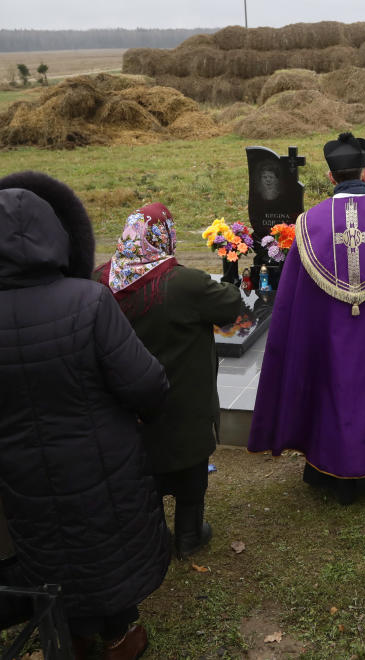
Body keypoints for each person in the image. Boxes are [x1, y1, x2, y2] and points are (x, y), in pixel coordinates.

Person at [0, 172, 170, 658]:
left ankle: (70, 632)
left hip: (20, 472)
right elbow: (146, 383)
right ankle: (121, 637)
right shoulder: (89, 301)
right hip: (101, 462)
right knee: (103, 545)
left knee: (50, 546)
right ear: (57, 234)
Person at [248, 132, 365, 504]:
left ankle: (327, 466)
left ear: (332, 177)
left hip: (330, 336)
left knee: (333, 388)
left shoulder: (308, 224)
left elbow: (291, 303)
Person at [94, 203, 243, 560]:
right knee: (191, 472)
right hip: (182, 402)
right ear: (165, 236)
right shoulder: (182, 283)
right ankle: (189, 536)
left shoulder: (99, 280)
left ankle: (153, 537)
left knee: (143, 474)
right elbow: (229, 305)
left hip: (127, 406)